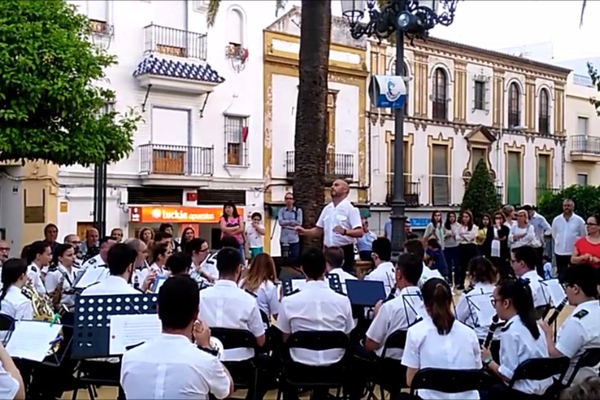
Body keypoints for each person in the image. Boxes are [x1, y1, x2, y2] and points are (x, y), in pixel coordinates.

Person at [120, 276, 233, 399]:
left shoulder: (129, 358)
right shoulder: (207, 362)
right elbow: (227, 391)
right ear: (196, 313)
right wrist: (206, 347)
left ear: (158, 311)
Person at [401, 278, 482, 399]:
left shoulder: (415, 332)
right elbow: (476, 373)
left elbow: (411, 381)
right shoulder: (470, 333)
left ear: (425, 305)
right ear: (450, 301)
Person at [277, 247, 354, 368]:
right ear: (325, 269)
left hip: (300, 364)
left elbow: (286, 337)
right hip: (336, 364)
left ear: (302, 269)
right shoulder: (343, 301)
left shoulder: (288, 301)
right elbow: (347, 334)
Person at [482, 279, 553, 399]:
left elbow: (508, 376)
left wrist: (489, 361)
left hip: (522, 394)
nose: (494, 307)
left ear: (506, 303)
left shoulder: (510, 332)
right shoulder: (535, 325)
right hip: (545, 391)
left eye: (495, 302)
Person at [198, 246, 265, 361]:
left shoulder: (200, 296)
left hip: (206, 360)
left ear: (217, 267)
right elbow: (261, 340)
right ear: (239, 269)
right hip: (241, 364)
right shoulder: (249, 300)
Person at [539, 264, 600, 385]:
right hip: (592, 377)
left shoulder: (578, 322)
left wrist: (548, 335)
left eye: (566, 287)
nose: (565, 292)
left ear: (575, 288)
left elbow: (556, 356)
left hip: (569, 382)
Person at [296, 179, 363, 273]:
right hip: (328, 251)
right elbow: (319, 230)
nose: (332, 187)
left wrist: (345, 232)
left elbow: (360, 232)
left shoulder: (351, 209)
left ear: (345, 190)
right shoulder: (327, 209)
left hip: (344, 251)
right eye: (332, 185)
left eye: (336, 185)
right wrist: (304, 232)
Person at [455, 257, 498, 342]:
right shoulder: (499, 290)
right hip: (499, 337)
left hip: (477, 338)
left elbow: (457, 317)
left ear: (472, 274)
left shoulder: (468, 294)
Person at [239, 253, 280, 319]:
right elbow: (276, 315)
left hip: (243, 324)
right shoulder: (269, 286)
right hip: (262, 325)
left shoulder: (242, 282)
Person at [552, 199, 586, 277]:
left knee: (574, 274)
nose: (566, 208)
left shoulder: (579, 220)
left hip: (573, 253)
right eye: (565, 206)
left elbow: (583, 235)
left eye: (568, 206)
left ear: (573, 207)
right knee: (561, 273)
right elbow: (554, 233)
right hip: (560, 251)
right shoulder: (556, 220)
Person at [511, 246, 551, 312]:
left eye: (513, 261)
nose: (511, 265)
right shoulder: (545, 282)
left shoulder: (521, 286)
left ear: (522, 264)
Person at [0, 259, 34, 328]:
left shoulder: (3, 294)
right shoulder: (23, 301)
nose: (27, 277)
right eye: (26, 273)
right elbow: (24, 330)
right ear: (22, 276)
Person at [45, 244, 79, 311]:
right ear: (60, 258)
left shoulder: (78, 271)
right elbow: (49, 297)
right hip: (61, 311)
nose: (73, 257)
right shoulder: (53, 274)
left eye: (74, 254)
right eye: (69, 255)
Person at [523, 205, 552, 276]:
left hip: (537, 244)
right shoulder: (525, 219)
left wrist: (543, 236)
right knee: (528, 264)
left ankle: (540, 277)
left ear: (531, 211)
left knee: (538, 263)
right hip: (527, 244)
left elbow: (549, 229)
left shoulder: (539, 218)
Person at [456, 211, 478, 290]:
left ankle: (472, 283)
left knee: (471, 266)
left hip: (471, 247)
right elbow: (457, 237)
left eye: (467, 217)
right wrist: (465, 236)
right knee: (462, 266)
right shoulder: (460, 227)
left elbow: (471, 237)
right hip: (462, 247)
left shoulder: (474, 227)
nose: (465, 219)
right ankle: (461, 283)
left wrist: (463, 235)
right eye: (464, 217)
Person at [278, 192, 303, 259]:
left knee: (294, 258)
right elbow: (280, 222)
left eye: (290, 198)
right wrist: (292, 223)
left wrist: (286, 223)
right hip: (284, 239)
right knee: (284, 259)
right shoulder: (281, 211)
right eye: (287, 198)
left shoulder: (298, 211)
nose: (289, 200)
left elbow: (299, 223)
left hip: (294, 239)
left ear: (293, 200)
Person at [489, 212, 511, 280]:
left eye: (499, 218)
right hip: (493, 249)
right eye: (496, 218)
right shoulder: (491, 228)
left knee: (503, 267)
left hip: (502, 250)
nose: (498, 220)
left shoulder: (505, 228)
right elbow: (489, 238)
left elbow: (504, 237)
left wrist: (499, 229)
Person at [443, 212, 460, 286]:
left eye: (453, 216)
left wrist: (455, 235)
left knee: (457, 265)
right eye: (450, 217)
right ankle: (449, 281)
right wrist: (446, 235)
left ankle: (457, 282)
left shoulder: (458, 225)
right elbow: (441, 236)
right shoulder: (444, 225)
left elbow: (460, 235)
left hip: (456, 246)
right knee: (448, 265)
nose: (452, 218)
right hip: (447, 246)